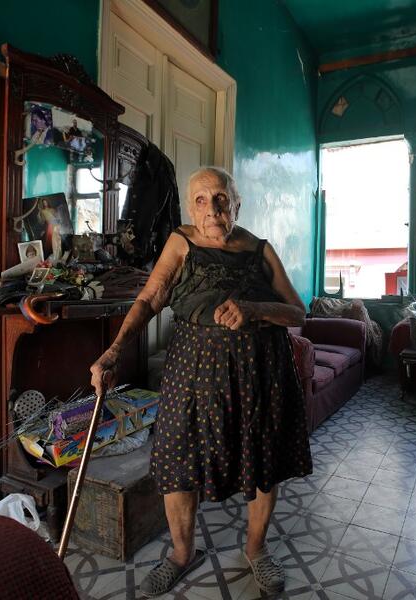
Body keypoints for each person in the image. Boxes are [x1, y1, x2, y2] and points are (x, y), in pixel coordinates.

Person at [90, 167, 312, 596]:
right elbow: (151, 297)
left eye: (222, 198)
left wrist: (254, 308)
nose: (213, 208)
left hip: (260, 376)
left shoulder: (261, 250)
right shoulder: (181, 242)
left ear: (237, 202)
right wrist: (114, 351)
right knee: (177, 459)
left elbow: (299, 313)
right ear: (190, 207)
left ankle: (256, 549)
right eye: (202, 200)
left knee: (262, 459)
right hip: (192, 375)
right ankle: (180, 553)